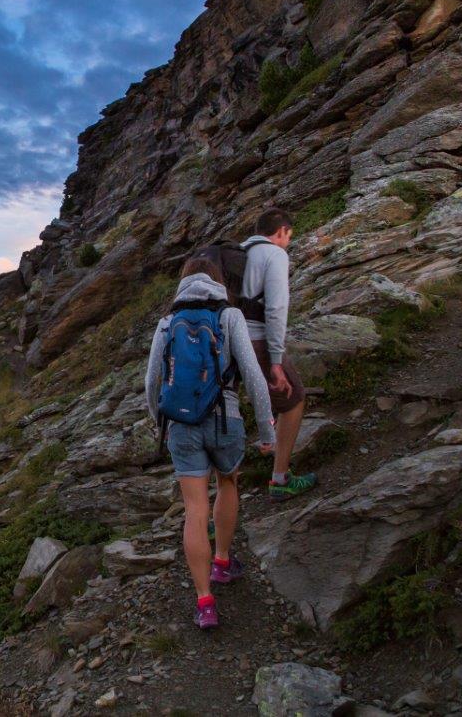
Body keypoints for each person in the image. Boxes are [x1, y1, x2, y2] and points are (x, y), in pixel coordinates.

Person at [145, 256, 276, 630]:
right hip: (225, 419)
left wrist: (162, 424)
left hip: (182, 426)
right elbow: (253, 376)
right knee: (228, 483)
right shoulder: (229, 316)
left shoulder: (167, 323)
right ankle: (221, 562)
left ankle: (204, 603)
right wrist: (267, 433)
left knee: (194, 510)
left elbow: (151, 382)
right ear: (218, 282)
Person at [241, 207, 317, 501]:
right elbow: (275, 309)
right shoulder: (274, 255)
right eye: (288, 237)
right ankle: (279, 479)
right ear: (281, 231)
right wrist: (275, 361)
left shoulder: (236, 252)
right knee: (293, 399)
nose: (288, 242)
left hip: (224, 338)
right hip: (256, 338)